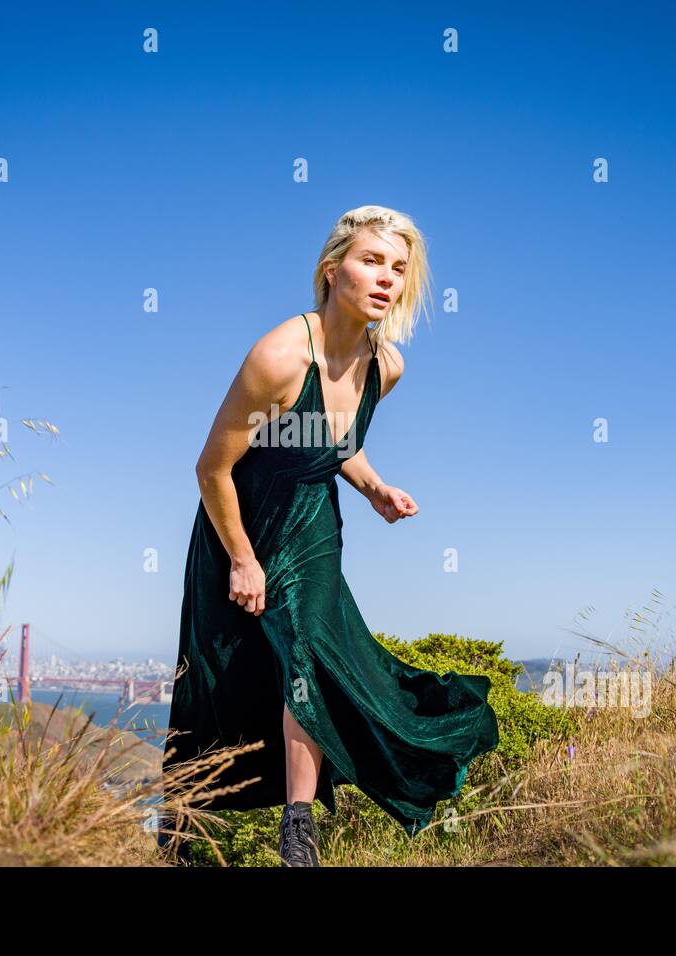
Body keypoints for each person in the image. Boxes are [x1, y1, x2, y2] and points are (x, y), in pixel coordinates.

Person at [159, 205, 500, 867]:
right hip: (238, 524)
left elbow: (334, 445)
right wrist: (241, 560)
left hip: (312, 525)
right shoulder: (281, 356)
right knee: (219, 677)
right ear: (331, 269)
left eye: (399, 269)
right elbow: (212, 467)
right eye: (372, 261)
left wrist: (375, 488)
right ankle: (180, 832)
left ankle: (299, 837)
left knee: (309, 655)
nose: (387, 279)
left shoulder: (385, 367)